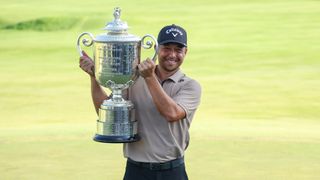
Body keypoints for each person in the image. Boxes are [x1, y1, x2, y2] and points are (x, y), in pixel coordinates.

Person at [79, 24, 201, 180]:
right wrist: (94, 77)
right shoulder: (134, 78)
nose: (172, 54)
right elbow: (108, 113)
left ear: (185, 52)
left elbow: (172, 113)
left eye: (178, 49)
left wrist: (149, 77)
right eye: (166, 48)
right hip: (136, 171)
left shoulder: (190, 85)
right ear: (157, 49)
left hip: (172, 171)